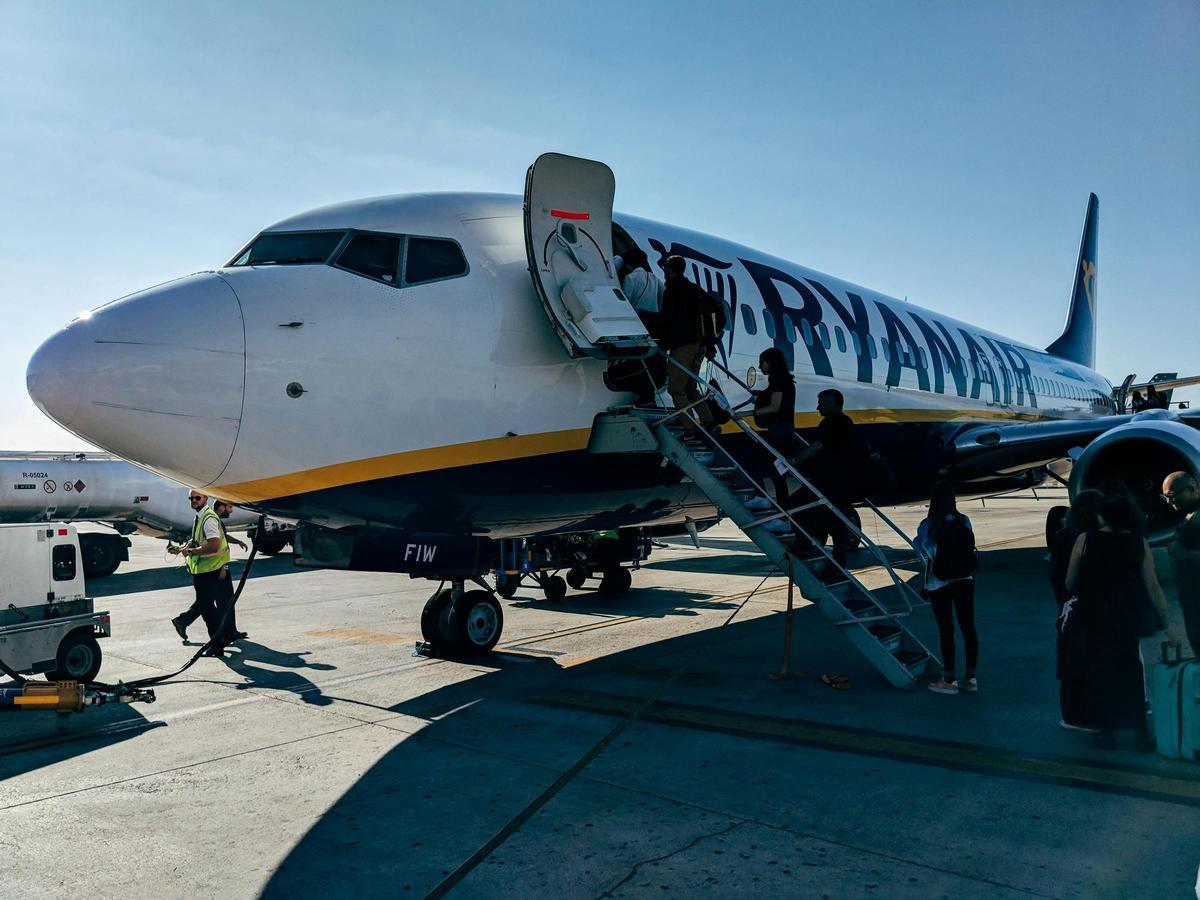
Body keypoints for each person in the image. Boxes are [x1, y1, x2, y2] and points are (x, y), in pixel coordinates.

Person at [1064, 492, 1179, 750]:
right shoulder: (1138, 543)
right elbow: (1152, 585)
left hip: (1094, 616)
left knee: (1100, 672)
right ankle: (1141, 733)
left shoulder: (1085, 540)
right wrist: (1167, 623)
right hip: (1127, 615)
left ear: (1100, 515)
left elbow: (1069, 581)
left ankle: (1106, 732)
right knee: (1131, 673)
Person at [916, 481, 980, 695]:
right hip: (965, 579)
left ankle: (949, 680)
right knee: (968, 628)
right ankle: (971, 678)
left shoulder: (928, 524)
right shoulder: (964, 520)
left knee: (946, 631)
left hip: (939, 582)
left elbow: (925, 555)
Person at [1048, 490, 1103, 732]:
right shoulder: (1105, 537)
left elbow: (1059, 577)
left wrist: (1063, 601)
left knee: (1071, 662)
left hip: (1072, 604)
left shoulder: (1063, 536)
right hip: (1100, 606)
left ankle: (1072, 714)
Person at [792, 389, 861, 569]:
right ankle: (837, 562)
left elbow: (817, 446)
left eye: (821, 403)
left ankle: (809, 540)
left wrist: (796, 460)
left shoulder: (831, 422)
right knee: (836, 521)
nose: (817, 407)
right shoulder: (847, 422)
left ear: (833, 403)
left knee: (795, 504)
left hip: (829, 480)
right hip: (844, 479)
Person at [659, 255, 721, 437]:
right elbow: (708, 320)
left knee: (676, 389)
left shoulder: (672, 291)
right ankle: (708, 421)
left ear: (670, 270)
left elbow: (666, 320)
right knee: (690, 387)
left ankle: (690, 428)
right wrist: (711, 347)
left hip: (683, 346)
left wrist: (662, 345)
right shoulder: (696, 290)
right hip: (700, 346)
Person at [169, 489, 234, 656]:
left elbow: (213, 545)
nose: (193, 500)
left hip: (211, 571)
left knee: (208, 610)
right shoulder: (200, 516)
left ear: (206, 498)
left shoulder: (209, 519)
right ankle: (221, 638)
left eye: (197, 498)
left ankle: (218, 644)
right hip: (209, 570)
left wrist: (191, 552)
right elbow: (197, 541)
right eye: (191, 498)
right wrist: (182, 548)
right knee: (210, 607)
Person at [744, 348, 800, 530]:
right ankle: (785, 519)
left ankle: (762, 497)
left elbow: (775, 407)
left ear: (771, 362)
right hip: (785, 431)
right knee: (778, 475)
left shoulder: (778, 380)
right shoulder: (783, 380)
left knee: (751, 457)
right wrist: (760, 396)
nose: (760, 366)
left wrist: (748, 413)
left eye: (762, 362)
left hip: (778, 432)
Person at [1163, 471, 1200, 655]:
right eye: (1166, 497)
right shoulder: (1190, 513)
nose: (1170, 502)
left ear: (1192, 488)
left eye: (1172, 496)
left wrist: (1185, 554)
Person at [212, 499, 249, 643]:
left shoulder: (216, 521)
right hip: (218, 567)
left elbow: (223, 537)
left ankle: (230, 631)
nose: (231, 510)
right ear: (221, 507)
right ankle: (225, 633)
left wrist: (237, 541)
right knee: (221, 600)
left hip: (218, 567)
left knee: (225, 600)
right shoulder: (213, 521)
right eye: (229, 507)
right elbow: (218, 547)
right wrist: (224, 567)